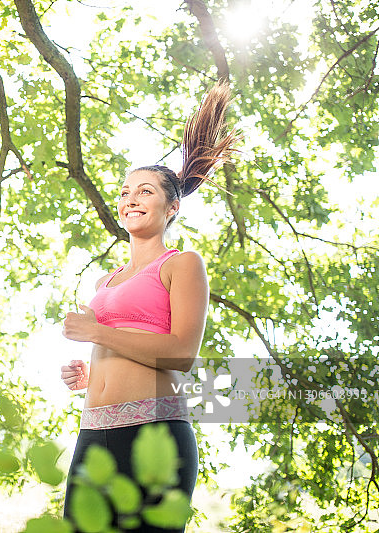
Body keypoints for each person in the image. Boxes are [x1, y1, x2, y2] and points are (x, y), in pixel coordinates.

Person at [60, 81, 238, 533]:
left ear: (171, 207)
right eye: (123, 192)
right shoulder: (105, 281)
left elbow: (180, 354)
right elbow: (124, 350)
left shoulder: (183, 264)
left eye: (143, 191)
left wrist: (98, 334)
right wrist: (90, 376)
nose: (129, 199)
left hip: (154, 436)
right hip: (93, 433)